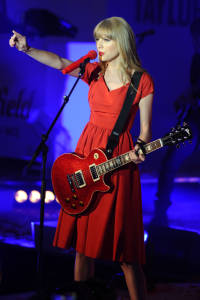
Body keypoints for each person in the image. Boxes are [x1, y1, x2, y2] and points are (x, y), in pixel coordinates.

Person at [9, 16, 154, 300]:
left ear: (121, 41)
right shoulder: (94, 72)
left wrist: (140, 148)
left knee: (125, 252)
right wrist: (27, 49)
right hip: (87, 154)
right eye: (97, 39)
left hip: (119, 161)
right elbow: (62, 63)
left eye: (105, 39)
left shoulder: (141, 80)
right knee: (83, 245)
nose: (99, 45)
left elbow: (146, 130)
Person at [152, 18, 200, 226]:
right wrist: (185, 98)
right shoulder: (196, 59)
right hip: (194, 119)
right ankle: (160, 213)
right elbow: (194, 88)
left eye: (197, 36)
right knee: (171, 159)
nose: (195, 41)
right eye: (194, 37)